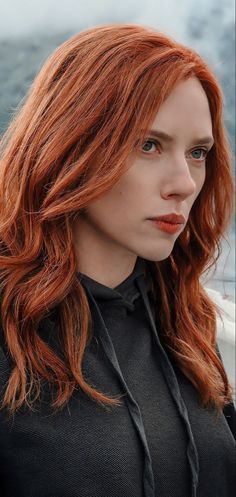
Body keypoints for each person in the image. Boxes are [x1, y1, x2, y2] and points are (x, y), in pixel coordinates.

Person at [0, 23, 235, 497]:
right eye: (149, 145)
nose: (185, 183)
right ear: (72, 144)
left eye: (197, 152)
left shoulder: (191, 324)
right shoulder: (9, 334)